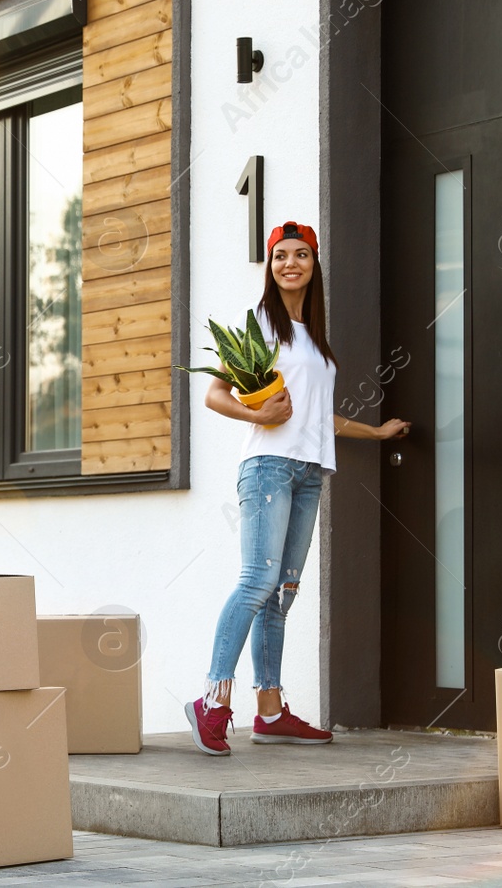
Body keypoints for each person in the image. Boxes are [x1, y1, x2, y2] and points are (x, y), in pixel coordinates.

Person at [184, 221, 409, 756]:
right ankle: (212, 700)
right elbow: (216, 395)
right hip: (268, 467)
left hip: (310, 471)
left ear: (314, 264)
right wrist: (254, 411)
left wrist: (375, 432)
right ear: (270, 264)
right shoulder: (261, 322)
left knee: (281, 594)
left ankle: (271, 711)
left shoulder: (315, 336)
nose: (291, 263)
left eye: (302, 254)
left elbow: (316, 417)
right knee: (258, 582)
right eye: (281, 255)